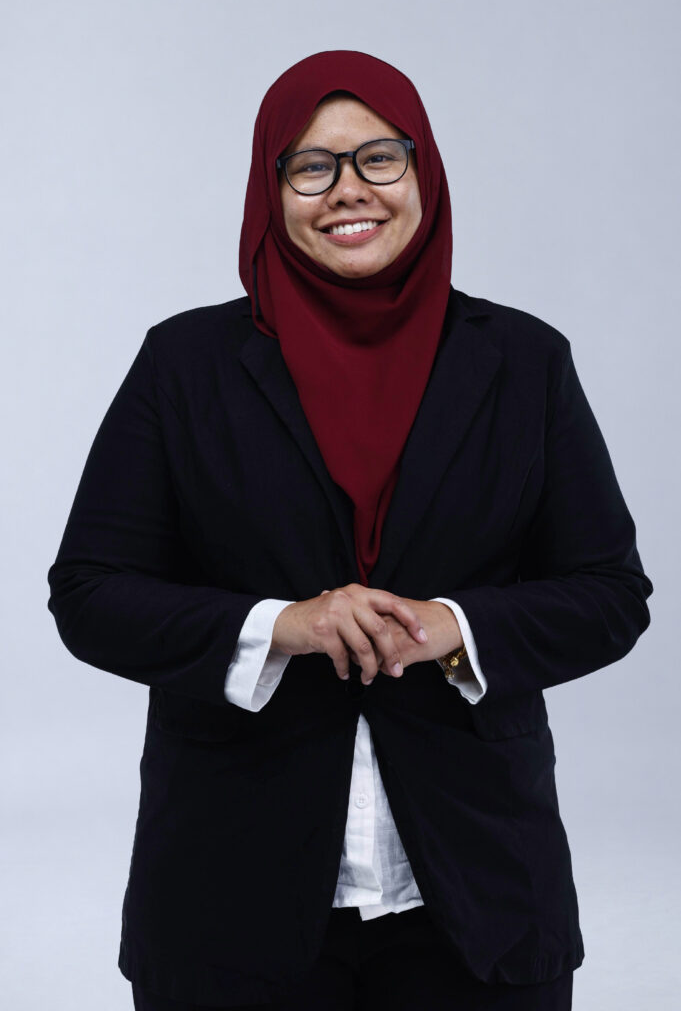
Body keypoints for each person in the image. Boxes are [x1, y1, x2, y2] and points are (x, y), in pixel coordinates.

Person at [46, 50, 653, 1010]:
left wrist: (455, 627)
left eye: (378, 157)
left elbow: (610, 594)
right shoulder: (183, 364)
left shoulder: (524, 361)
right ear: (271, 189)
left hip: (481, 899)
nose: (348, 190)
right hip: (227, 898)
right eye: (311, 165)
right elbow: (90, 594)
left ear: (422, 172)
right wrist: (282, 627)